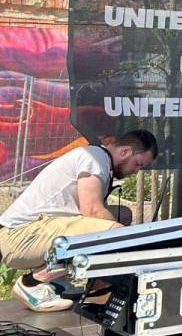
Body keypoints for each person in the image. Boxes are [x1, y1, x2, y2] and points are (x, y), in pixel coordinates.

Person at [0, 129, 158, 311]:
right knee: (113, 232)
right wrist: (132, 241)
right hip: (18, 237)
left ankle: (59, 282)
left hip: (31, 233)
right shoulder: (95, 159)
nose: (136, 171)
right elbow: (92, 211)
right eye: (138, 164)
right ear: (125, 151)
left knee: (122, 215)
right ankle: (32, 283)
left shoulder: (100, 161)